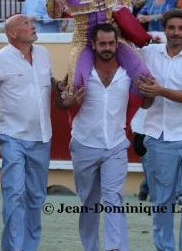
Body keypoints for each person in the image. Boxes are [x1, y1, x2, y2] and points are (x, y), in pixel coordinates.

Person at [136, 9, 182, 251]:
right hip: (159, 136)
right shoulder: (148, 54)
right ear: (164, 29)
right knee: (162, 200)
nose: (176, 33)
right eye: (171, 28)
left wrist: (158, 91)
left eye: (181, 28)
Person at [0, 14, 55, 251]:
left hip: (42, 138)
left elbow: (50, 85)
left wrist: (62, 88)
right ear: (12, 33)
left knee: (35, 199)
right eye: (25, 23)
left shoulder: (43, 54)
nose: (32, 26)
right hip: (12, 138)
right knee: (14, 196)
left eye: (32, 23)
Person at [57, 23, 131, 251]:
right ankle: (91, 248)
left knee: (113, 198)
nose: (107, 48)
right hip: (84, 144)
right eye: (102, 44)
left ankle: (115, 248)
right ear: (94, 44)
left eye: (111, 43)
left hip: (116, 144)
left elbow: (145, 99)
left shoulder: (129, 70)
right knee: (89, 203)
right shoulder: (80, 68)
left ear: (117, 43)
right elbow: (61, 99)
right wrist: (67, 102)